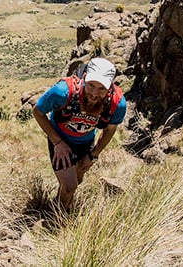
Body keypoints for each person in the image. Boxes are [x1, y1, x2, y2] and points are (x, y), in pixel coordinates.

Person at [33, 58, 127, 211]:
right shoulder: (63, 92)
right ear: (84, 79)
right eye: (91, 86)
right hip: (60, 138)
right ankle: (56, 219)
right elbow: (38, 111)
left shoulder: (117, 104)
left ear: (110, 88)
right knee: (70, 186)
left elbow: (109, 130)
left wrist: (93, 155)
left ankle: (59, 200)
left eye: (101, 88)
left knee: (77, 179)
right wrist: (57, 143)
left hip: (86, 142)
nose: (94, 93)